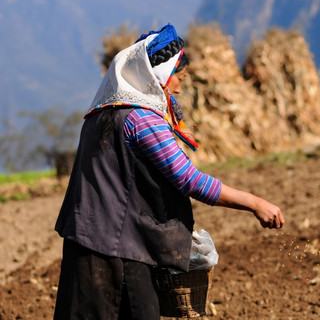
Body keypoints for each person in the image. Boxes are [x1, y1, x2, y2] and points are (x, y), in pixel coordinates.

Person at [53, 23, 284, 320]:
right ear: (162, 74)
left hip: (83, 242)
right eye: (180, 77)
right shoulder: (142, 120)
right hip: (121, 252)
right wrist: (255, 203)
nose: (179, 87)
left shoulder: (101, 112)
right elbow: (188, 179)